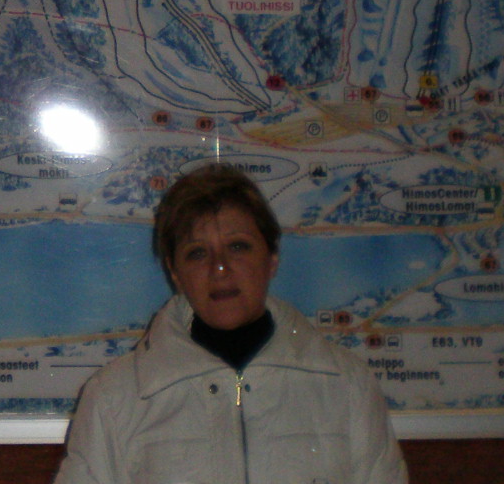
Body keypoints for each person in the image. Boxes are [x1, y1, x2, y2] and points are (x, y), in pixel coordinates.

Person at [54, 164, 407, 484]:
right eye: (197, 253)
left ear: (272, 258)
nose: (219, 268)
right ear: (175, 272)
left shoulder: (348, 386)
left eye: (238, 247)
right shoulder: (113, 398)